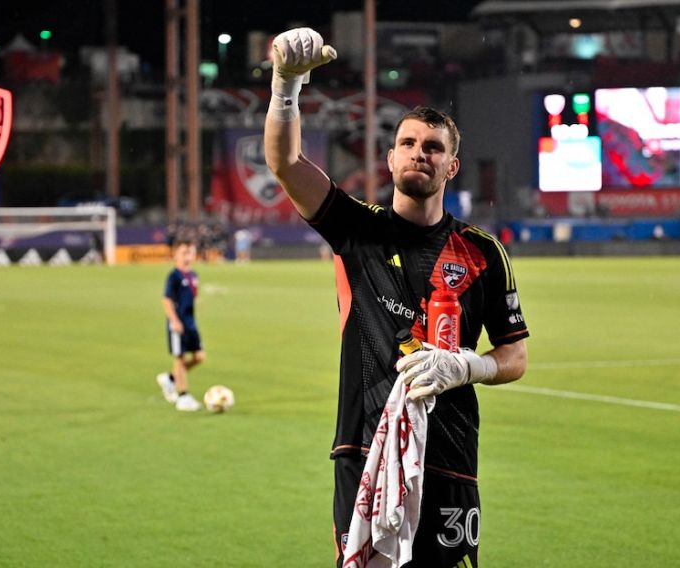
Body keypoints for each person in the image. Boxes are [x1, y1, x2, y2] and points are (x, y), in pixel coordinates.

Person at [264, 28, 529, 567]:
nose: (419, 154)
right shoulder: (356, 228)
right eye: (408, 144)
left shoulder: (483, 254)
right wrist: (286, 85)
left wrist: (467, 366)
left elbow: (515, 356)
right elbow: (287, 164)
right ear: (389, 159)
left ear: (451, 166)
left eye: (434, 147)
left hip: (450, 454)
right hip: (363, 447)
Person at [156, 238, 205, 412]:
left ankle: (170, 379)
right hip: (178, 323)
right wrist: (174, 321)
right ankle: (183, 396)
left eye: (191, 252)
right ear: (175, 254)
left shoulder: (194, 275)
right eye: (184, 252)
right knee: (180, 358)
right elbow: (166, 299)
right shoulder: (174, 276)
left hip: (191, 323)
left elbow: (192, 297)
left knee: (200, 357)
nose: (188, 256)